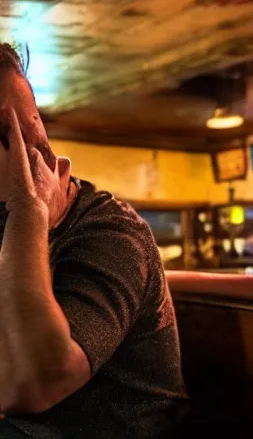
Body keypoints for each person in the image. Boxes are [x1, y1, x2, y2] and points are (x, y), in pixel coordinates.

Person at [0, 43, 189, 437]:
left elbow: (34, 380)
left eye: (25, 126)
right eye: (7, 133)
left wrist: (27, 208)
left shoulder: (111, 232)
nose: (25, 147)